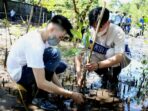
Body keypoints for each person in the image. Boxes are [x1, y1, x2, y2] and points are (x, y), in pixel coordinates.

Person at [7, 15, 84, 105]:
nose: (60, 41)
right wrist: (71, 94)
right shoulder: (35, 44)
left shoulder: (45, 40)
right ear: (52, 29)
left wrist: (61, 90)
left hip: (27, 67)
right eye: (60, 37)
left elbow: (50, 70)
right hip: (19, 74)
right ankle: (40, 98)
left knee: (61, 65)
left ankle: (37, 87)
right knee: (55, 54)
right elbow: (41, 83)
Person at [75, 7, 125, 87]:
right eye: (94, 27)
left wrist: (98, 65)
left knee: (110, 53)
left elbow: (119, 56)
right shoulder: (89, 33)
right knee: (88, 57)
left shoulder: (117, 31)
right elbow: (78, 54)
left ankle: (113, 76)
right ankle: (104, 75)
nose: (96, 30)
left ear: (108, 22)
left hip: (116, 62)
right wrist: (79, 74)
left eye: (99, 27)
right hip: (99, 59)